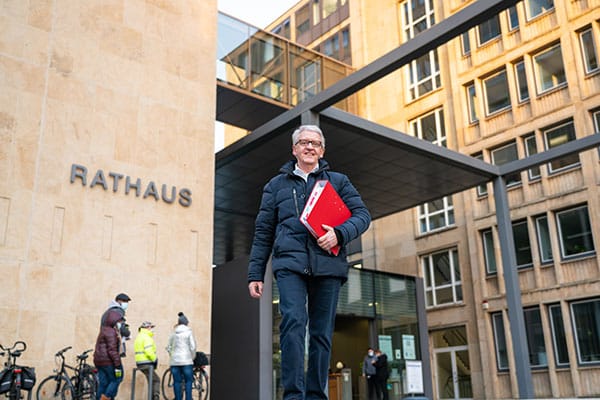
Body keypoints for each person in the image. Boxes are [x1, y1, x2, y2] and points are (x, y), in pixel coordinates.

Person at [247, 125, 371, 400]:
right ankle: (293, 394)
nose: (310, 147)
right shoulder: (275, 186)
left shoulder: (338, 182)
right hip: (290, 265)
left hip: (328, 265)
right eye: (303, 142)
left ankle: (316, 395)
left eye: (315, 143)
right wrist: (255, 272)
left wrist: (339, 233)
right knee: (292, 322)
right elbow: (263, 231)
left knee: (321, 332)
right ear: (294, 149)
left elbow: (362, 216)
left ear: (322, 150)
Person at [93, 309, 124, 400]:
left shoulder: (103, 330)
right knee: (117, 378)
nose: (119, 323)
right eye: (118, 321)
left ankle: (100, 398)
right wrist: (117, 364)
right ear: (113, 321)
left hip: (99, 362)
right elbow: (112, 350)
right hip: (109, 362)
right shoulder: (111, 332)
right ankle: (106, 397)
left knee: (103, 383)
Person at [166, 312, 196, 400]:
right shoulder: (189, 332)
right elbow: (193, 347)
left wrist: (172, 356)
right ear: (186, 323)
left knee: (177, 382)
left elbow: (168, 347)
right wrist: (192, 357)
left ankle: (178, 398)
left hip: (174, 362)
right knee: (188, 381)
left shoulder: (173, 333)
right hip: (186, 361)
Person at [134, 321, 160, 400]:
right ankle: (155, 397)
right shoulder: (147, 337)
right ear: (147, 328)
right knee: (156, 380)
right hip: (146, 362)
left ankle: (152, 397)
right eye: (151, 327)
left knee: (151, 380)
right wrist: (155, 359)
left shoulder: (139, 336)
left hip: (140, 363)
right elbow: (148, 351)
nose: (152, 329)